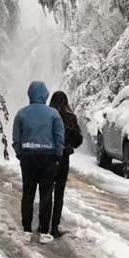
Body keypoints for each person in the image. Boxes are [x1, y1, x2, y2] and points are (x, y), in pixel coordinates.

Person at [12, 81, 65, 244]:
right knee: (46, 194)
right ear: (45, 95)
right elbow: (59, 137)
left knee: (28, 193)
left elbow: (16, 138)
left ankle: (26, 229)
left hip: (28, 157)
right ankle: (44, 232)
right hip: (48, 158)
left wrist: (21, 153)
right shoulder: (54, 114)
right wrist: (57, 155)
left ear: (30, 94)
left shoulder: (21, 114)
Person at [48, 91, 83, 238]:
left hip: (48, 157)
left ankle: (43, 223)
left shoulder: (48, 116)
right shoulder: (70, 118)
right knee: (59, 192)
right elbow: (78, 140)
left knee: (46, 190)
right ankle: (54, 226)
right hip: (63, 157)